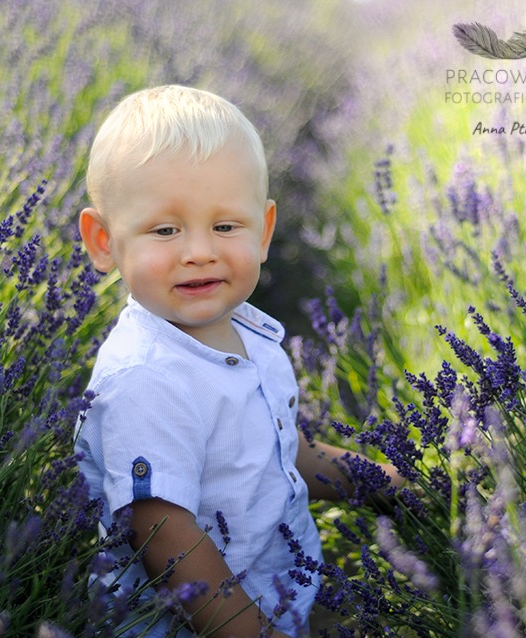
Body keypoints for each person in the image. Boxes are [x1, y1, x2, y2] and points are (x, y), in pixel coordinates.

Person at [74, 85, 401, 638]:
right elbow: (164, 531)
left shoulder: (249, 336)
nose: (199, 250)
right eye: (165, 229)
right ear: (103, 240)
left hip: (272, 599)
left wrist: (390, 484)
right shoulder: (147, 379)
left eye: (225, 226)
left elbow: (279, 452)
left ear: (265, 230)